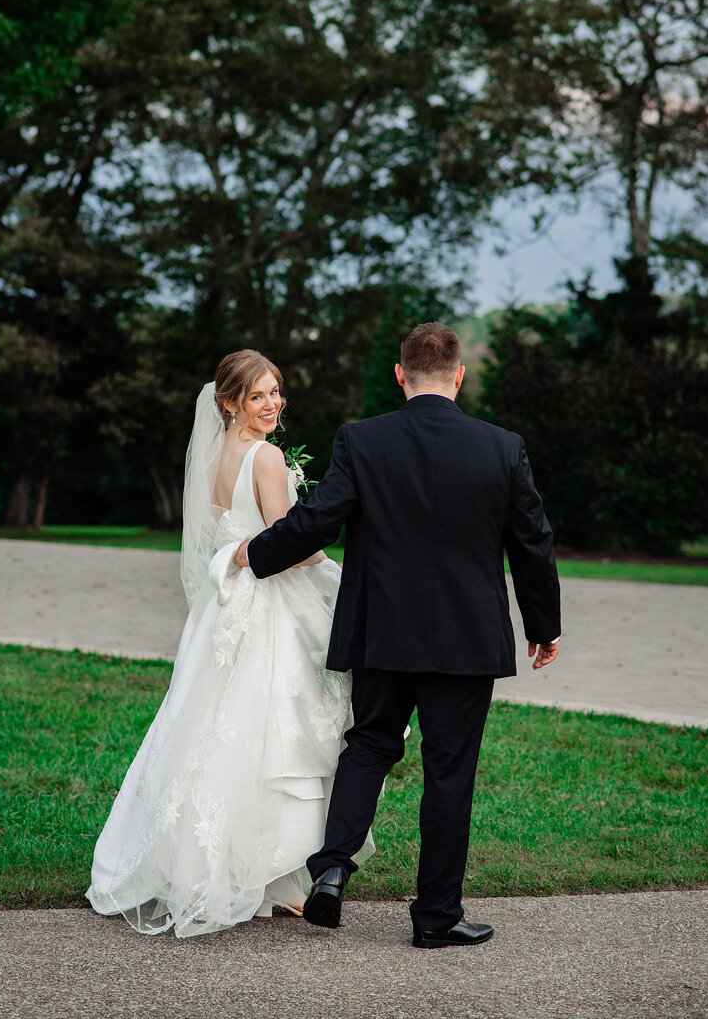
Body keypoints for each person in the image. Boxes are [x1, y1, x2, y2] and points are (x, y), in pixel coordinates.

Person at [236, 323, 561, 949]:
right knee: (449, 772)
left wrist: (257, 554)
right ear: (459, 375)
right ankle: (437, 918)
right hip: (467, 641)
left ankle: (331, 869)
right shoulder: (501, 447)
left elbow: (319, 519)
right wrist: (543, 625)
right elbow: (532, 542)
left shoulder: (364, 439)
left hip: (381, 631)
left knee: (369, 745)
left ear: (400, 373)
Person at [87, 350, 370, 938]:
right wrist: (340, 570)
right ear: (229, 402)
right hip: (267, 603)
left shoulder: (213, 455)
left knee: (211, 724)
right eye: (259, 396)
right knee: (275, 730)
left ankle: (219, 869)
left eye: (277, 393)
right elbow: (292, 543)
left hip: (224, 606)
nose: (273, 405)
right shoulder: (266, 458)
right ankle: (274, 875)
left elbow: (227, 532)